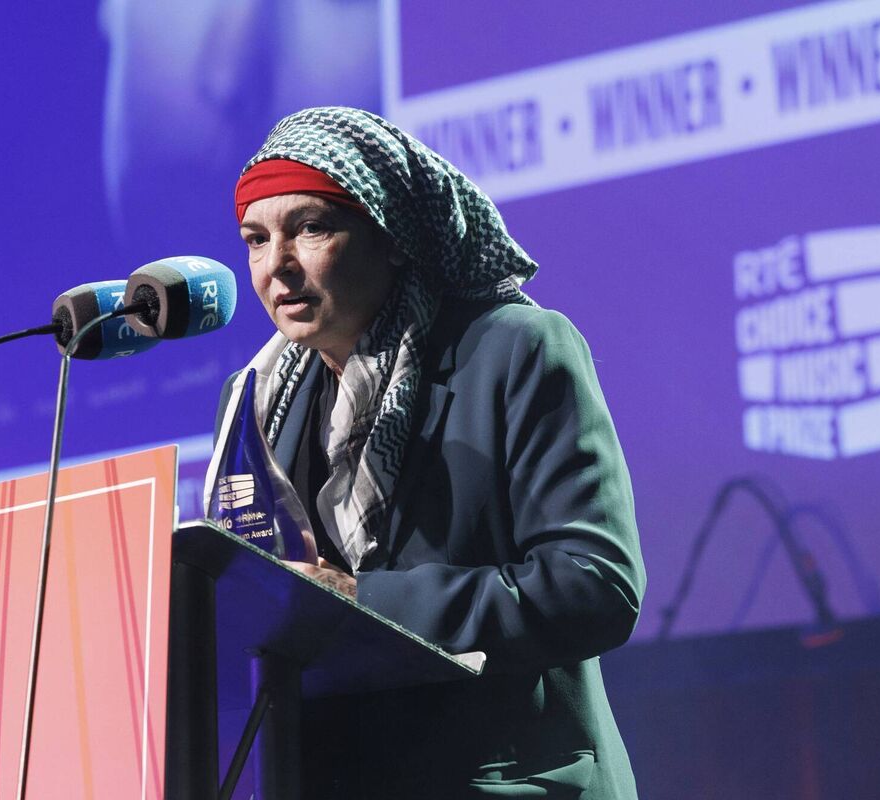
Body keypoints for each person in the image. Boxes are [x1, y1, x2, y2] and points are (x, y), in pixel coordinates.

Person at [215, 106, 645, 799]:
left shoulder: (515, 350)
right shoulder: (256, 403)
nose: (278, 267)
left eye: (312, 228)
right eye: (256, 240)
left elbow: (593, 586)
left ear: (393, 237)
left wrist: (363, 601)